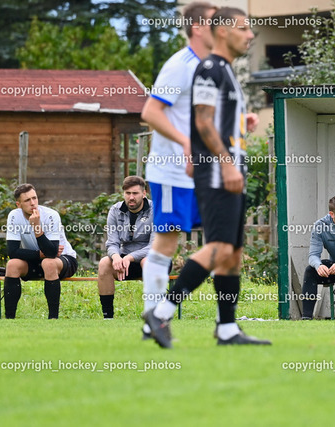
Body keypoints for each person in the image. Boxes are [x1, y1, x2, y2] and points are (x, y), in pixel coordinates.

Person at [144, 7, 267, 348]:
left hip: (227, 168)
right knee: (219, 247)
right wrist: (226, 164)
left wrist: (243, 125)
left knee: (233, 253)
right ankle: (161, 312)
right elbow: (202, 121)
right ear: (223, 31)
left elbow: (217, 120)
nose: (251, 35)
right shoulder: (209, 68)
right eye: (244, 28)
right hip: (215, 172)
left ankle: (227, 328)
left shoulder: (225, 70)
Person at [140, 2, 216, 331]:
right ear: (198, 27)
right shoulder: (180, 65)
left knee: (221, 243)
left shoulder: (209, 66)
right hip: (171, 171)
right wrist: (185, 143)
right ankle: (153, 317)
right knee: (166, 241)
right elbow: (151, 112)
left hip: (197, 172)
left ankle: (159, 316)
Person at [4, 183, 77, 319]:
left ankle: (53, 319)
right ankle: (9, 319)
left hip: (64, 260)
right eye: (27, 200)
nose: (33, 203)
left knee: (49, 263)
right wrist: (39, 254)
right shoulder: (14, 216)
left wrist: (36, 226)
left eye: (34, 198)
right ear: (18, 205)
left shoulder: (51, 215)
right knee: (12, 264)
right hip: (36, 259)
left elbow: (51, 253)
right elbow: (12, 252)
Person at [98, 176, 157, 319]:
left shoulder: (156, 210)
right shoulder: (115, 210)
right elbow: (112, 243)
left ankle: (155, 315)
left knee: (146, 262)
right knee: (104, 263)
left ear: (144, 194)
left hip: (154, 260)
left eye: (135, 193)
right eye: (128, 193)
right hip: (125, 261)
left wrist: (130, 257)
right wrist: (116, 256)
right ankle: (108, 317)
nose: (131, 197)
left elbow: (154, 247)